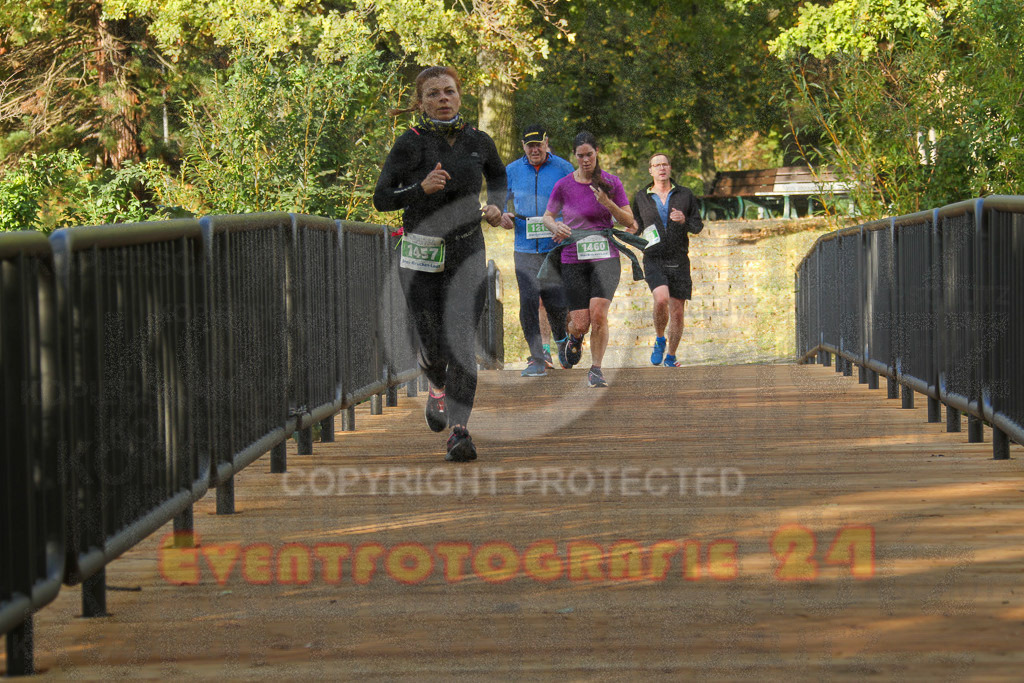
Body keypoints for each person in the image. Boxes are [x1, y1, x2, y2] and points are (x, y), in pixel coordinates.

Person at [373, 65, 506, 462]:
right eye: (433, 94)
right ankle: (435, 385)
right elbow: (382, 198)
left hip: (468, 249)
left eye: (449, 91)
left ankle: (460, 431)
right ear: (421, 102)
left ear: (460, 96)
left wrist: (499, 205)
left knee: (463, 341)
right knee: (433, 344)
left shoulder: (478, 141)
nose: (443, 99)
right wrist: (420, 188)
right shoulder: (409, 143)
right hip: (421, 252)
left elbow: (498, 179)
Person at [542, 130, 638, 388]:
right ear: (574, 156)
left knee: (598, 314)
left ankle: (596, 369)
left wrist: (608, 203)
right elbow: (548, 216)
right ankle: (574, 337)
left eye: (590, 155)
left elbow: (629, 220)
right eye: (580, 156)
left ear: (597, 154)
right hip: (573, 258)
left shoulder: (611, 182)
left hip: (605, 257)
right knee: (581, 322)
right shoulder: (564, 185)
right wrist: (555, 228)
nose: (585, 160)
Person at [499, 124, 575, 378]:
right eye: (529, 145)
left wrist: (565, 225)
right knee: (529, 300)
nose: (534, 149)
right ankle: (537, 357)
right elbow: (498, 201)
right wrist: (502, 215)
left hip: (555, 246)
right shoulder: (511, 170)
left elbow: (576, 202)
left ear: (546, 143)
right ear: (523, 146)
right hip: (524, 247)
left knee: (556, 302)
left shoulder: (563, 168)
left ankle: (562, 339)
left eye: (538, 144)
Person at [631, 153, 704, 367]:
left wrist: (684, 220)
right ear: (651, 171)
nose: (661, 168)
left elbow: (697, 226)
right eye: (656, 165)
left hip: (679, 258)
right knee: (661, 299)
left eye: (664, 164)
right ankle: (660, 338)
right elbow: (636, 225)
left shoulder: (685, 194)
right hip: (653, 257)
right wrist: (630, 229)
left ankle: (671, 356)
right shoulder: (641, 196)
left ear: (670, 168)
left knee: (678, 312)